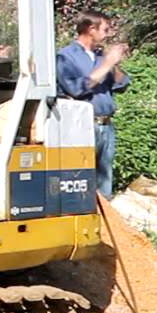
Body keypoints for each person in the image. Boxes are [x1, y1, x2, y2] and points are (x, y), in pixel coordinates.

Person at [57, 10, 130, 198]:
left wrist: (114, 63)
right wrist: (106, 64)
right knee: (81, 179)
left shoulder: (100, 56)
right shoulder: (66, 57)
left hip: (106, 126)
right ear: (91, 29)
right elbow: (76, 89)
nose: (108, 34)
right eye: (105, 30)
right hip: (82, 125)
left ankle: (104, 211)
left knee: (104, 182)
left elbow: (122, 84)